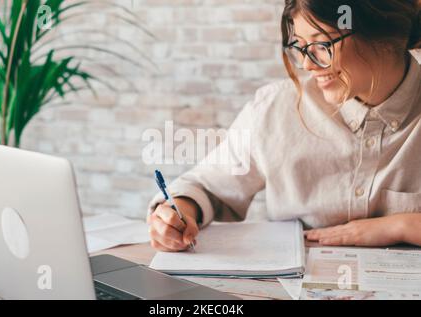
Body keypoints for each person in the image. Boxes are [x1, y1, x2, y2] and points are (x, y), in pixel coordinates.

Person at [147, 0, 421, 252]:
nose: (306, 64)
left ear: (383, 35)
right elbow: (206, 186)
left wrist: (402, 226)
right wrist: (178, 212)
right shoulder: (275, 108)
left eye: (322, 45)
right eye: (300, 46)